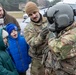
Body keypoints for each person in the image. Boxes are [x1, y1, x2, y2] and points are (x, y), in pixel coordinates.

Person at [45, 3, 76, 75]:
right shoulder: (65, 30)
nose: (51, 22)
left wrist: (51, 35)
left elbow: (56, 48)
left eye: (53, 20)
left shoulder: (72, 36)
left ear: (63, 19)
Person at [24, 1, 49, 75]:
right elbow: (32, 43)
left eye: (35, 12)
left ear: (38, 11)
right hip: (38, 60)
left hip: (51, 56)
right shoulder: (28, 28)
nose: (34, 16)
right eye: (30, 15)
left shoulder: (48, 21)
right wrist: (41, 36)